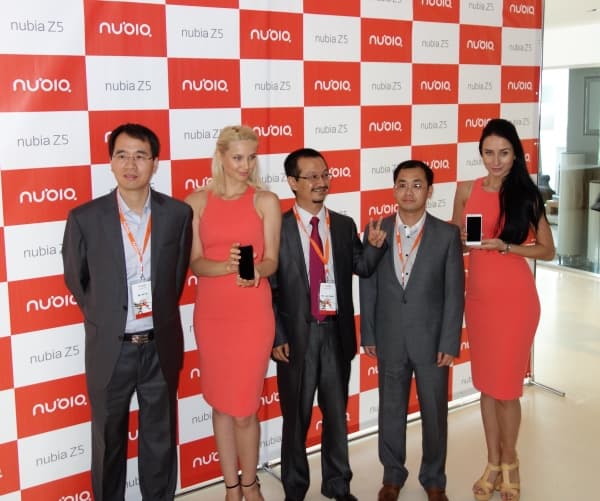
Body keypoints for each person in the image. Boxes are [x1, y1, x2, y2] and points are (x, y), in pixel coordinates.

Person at [62, 123, 193, 501]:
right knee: (108, 441)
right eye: (122, 155)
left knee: (160, 440)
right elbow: (77, 280)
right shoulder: (85, 218)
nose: (131, 164)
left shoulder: (178, 214)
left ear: (155, 162)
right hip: (111, 350)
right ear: (110, 162)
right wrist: (106, 316)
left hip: (159, 346)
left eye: (140, 156)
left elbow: (175, 276)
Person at [271, 147, 387, 501]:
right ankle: (295, 489)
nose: (321, 182)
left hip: (336, 335)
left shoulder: (343, 224)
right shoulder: (276, 227)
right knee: (296, 420)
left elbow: (362, 267)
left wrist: (374, 247)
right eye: (312, 177)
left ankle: (338, 484)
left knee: (336, 416)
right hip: (296, 339)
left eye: (325, 175)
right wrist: (277, 335)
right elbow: (269, 288)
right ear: (293, 182)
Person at [451, 118, 555, 501]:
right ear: (480, 153)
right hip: (479, 303)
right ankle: (492, 462)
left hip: (516, 303)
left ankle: (510, 462)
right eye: (488, 152)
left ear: (516, 155)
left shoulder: (527, 195)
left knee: (507, 390)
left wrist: (506, 247)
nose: (495, 161)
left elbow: (548, 250)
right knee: (487, 387)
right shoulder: (466, 189)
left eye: (504, 153)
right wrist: (461, 238)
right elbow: (456, 242)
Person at [184, 125, 281, 501]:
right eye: (238, 157)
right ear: (220, 157)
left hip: (252, 315)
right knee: (221, 405)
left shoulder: (265, 201)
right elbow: (195, 263)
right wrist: (225, 266)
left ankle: (251, 484)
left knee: (243, 409)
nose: (245, 164)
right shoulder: (196, 202)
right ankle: (231, 488)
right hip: (212, 316)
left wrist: (256, 271)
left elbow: (271, 260)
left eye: (251, 157)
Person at [359, 160, 465, 501]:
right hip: (390, 336)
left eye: (417, 185)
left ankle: (434, 479)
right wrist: (369, 334)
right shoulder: (376, 230)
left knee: (434, 412)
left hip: (432, 340)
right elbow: (368, 285)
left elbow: (454, 293)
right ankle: (392, 476)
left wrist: (450, 340)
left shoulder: (447, 235)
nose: (408, 192)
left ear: (429, 191)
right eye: (402, 184)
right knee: (390, 409)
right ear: (394, 189)